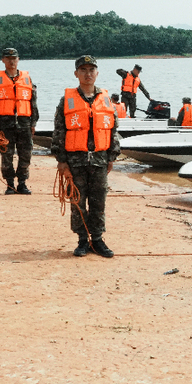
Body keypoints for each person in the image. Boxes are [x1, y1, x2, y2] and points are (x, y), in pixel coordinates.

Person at [52, 55, 120, 258]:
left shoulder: (106, 99)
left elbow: (113, 130)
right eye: (83, 70)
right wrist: (61, 161)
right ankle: (82, 240)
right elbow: (59, 132)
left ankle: (97, 240)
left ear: (97, 73)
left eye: (91, 70)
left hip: (99, 159)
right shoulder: (67, 100)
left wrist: (111, 157)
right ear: (76, 74)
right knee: (77, 201)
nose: (88, 74)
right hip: (75, 161)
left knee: (99, 201)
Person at [0, 47, 39, 195]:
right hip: (5, 123)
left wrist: (34, 123)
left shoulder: (27, 78)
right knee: (6, 155)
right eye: (8, 58)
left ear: (18, 59)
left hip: (24, 123)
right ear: (3, 60)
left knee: (25, 154)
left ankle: (22, 184)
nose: (11, 61)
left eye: (14, 58)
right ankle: (10, 184)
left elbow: (33, 103)